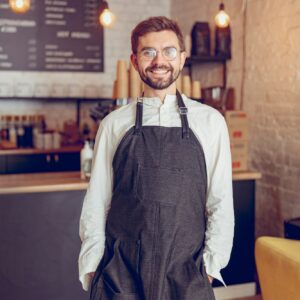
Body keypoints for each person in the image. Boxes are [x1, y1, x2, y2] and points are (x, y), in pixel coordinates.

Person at [78, 16, 234, 300]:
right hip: (121, 272)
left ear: (182, 58)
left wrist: (211, 266)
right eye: (148, 52)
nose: (159, 60)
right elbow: (97, 201)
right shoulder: (113, 124)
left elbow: (220, 202)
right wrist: (92, 264)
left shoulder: (211, 123)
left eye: (169, 51)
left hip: (186, 273)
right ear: (135, 61)